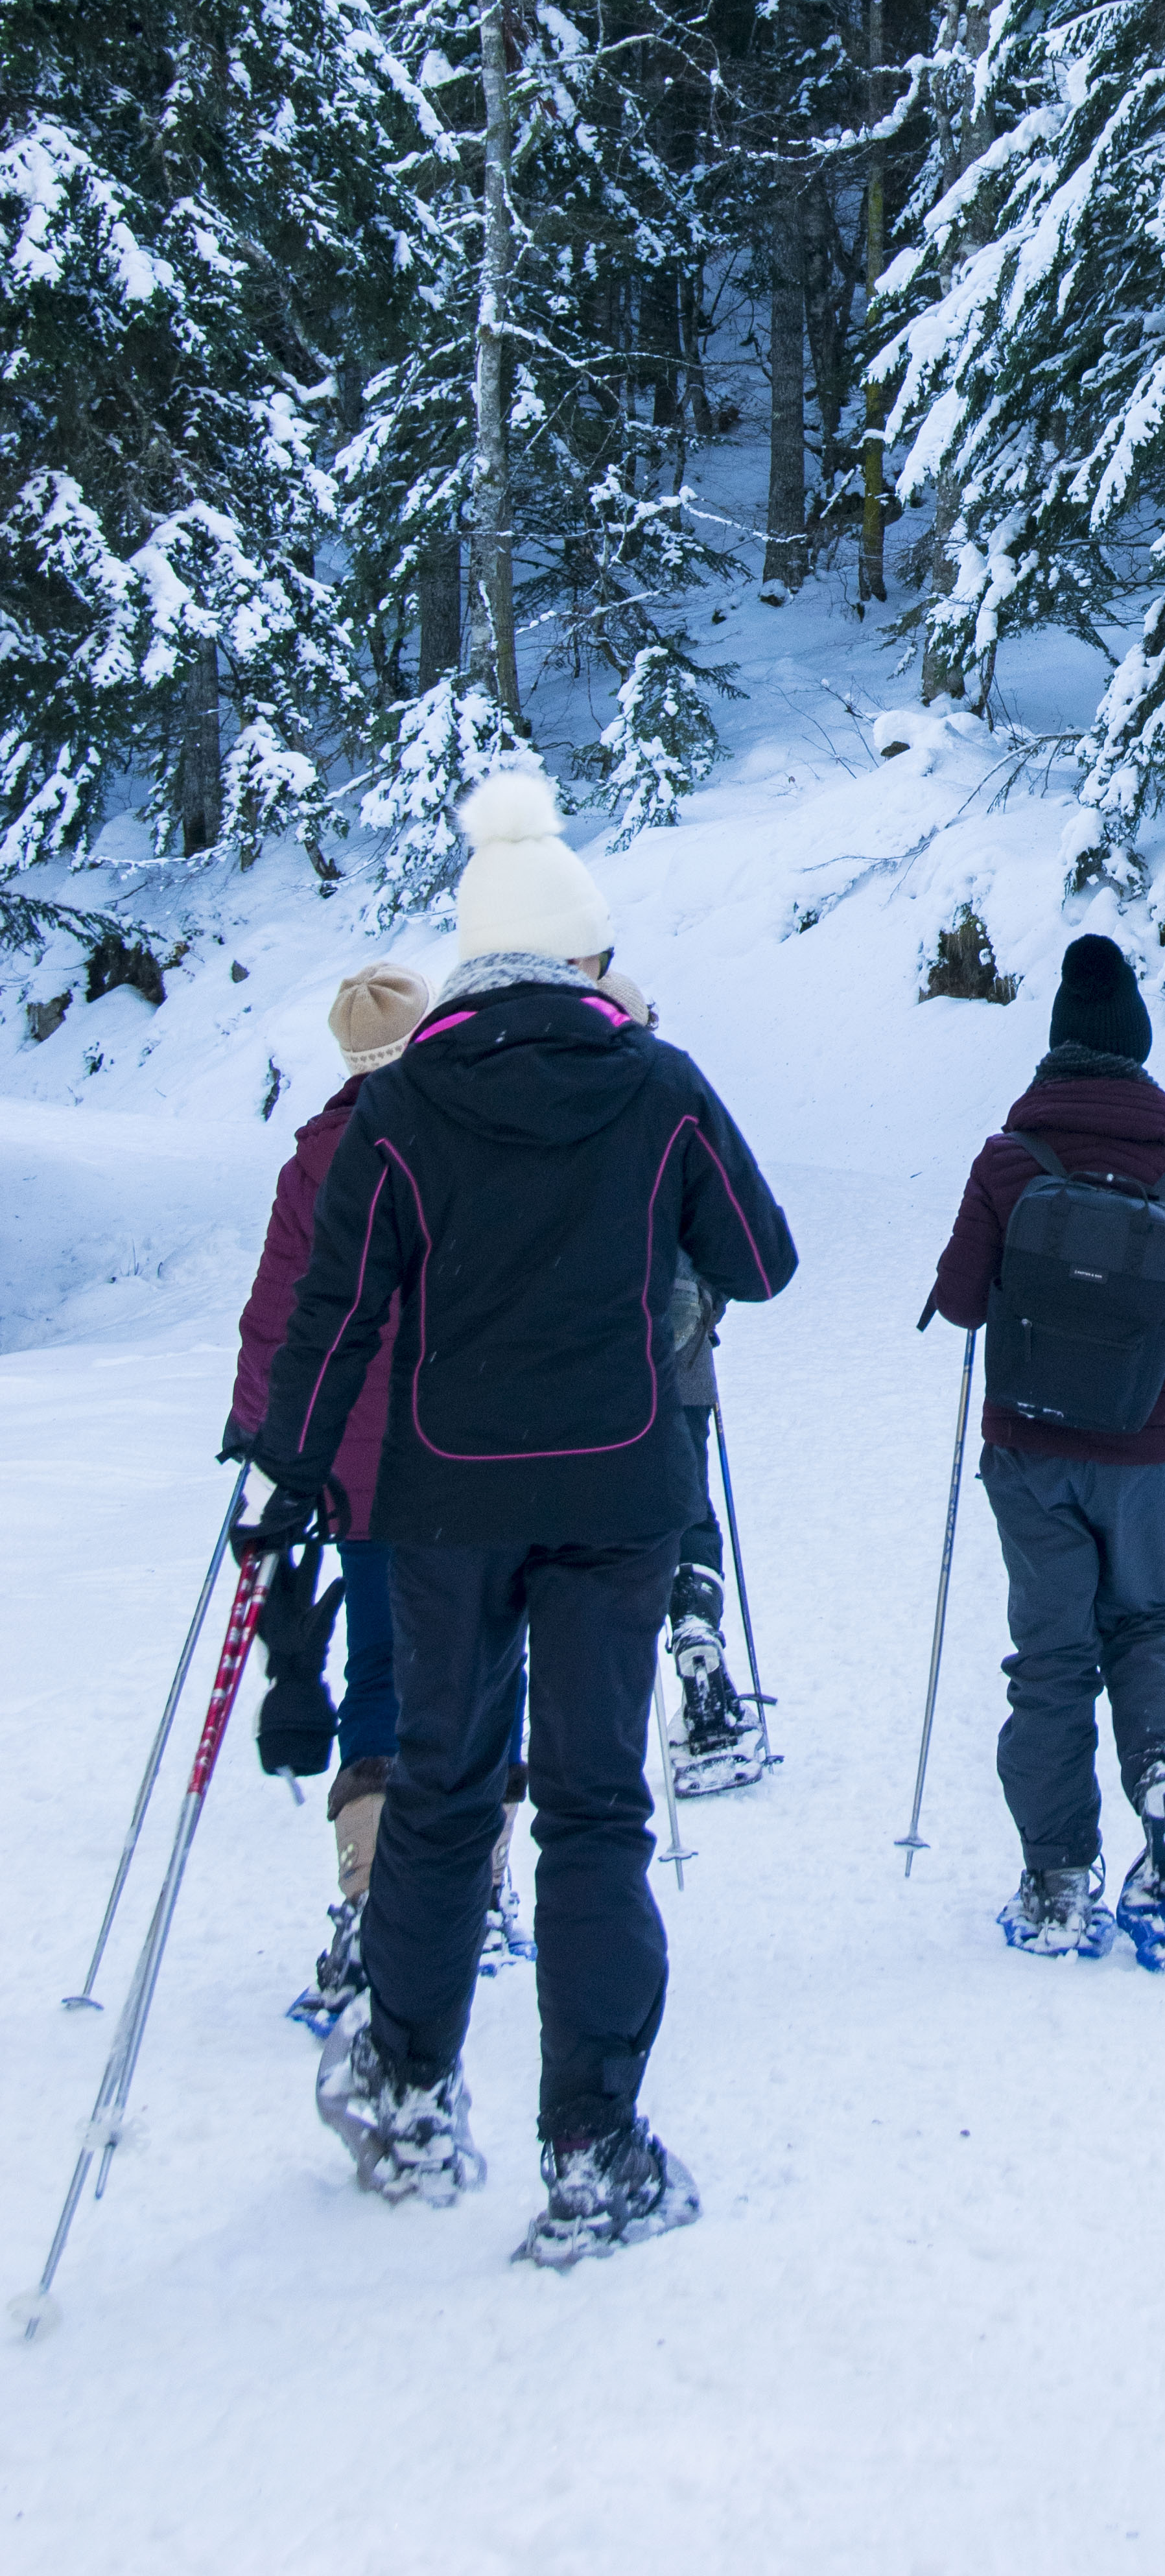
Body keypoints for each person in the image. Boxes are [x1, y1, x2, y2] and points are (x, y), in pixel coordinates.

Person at [241, 768, 796, 2265]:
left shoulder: (407, 1100)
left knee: (442, 1788)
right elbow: (760, 1258)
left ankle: (416, 2093)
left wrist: (283, 1471)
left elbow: (336, 1312)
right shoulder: (656, 1085)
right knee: (597, 1808)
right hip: (618, 1488)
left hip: (446, 1494)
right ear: (584, 951)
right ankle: (594, 2147)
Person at [224, 964, 532, 2024]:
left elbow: (277, 1312)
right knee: (488, 1660)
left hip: (358, 1466)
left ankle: (368, 1894)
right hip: (473, 1455)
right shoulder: (474, 1137)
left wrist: (258, 1433)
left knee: (380, 1665)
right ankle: (482, 1884)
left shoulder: (314, 1159)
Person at [929, 931, 1165, 1955]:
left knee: (1052, 1661)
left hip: (1031, 1451)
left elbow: (965, 1304)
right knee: (1148, 1624)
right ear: (1140, 1048)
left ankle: (1059, 1875)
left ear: (1057, 1045)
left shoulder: (1011, 1158)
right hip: (1149, 1455)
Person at [602, 968, 764, 1793]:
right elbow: (733, 1231)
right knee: (689, 1501)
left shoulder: (573, 1108)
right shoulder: (671, 1096)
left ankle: (615, 1681)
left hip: (589, 1369)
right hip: (683, 1344)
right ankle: (698, 1635)